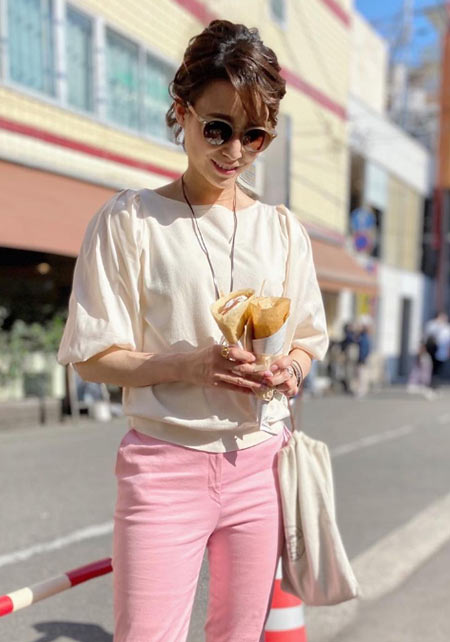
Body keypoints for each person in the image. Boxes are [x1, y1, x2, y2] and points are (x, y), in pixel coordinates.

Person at [57, 20, 329, 642]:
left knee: (238, 635)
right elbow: (92, 356)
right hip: (163, 463)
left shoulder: (283, 231)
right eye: (218, 129)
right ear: (181, 112)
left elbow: (308, 339)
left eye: (255, 136)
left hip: (260, 461)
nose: (235, 152)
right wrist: (189, 364)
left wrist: (290, 369)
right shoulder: (131, 220)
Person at [424, 311, 450, 389]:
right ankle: (429, 381)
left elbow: (447, 340)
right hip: (432, 348)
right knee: (430, 366)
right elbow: (427, 335)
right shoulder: (432, 324)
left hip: (442, 350)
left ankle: (435, 382)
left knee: (438, 367)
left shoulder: (446, 327)